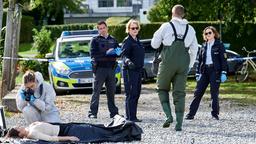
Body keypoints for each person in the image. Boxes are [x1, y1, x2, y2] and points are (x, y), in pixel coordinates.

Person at [151, 4, 198, 131]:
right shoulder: (191, 29)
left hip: (167, 62)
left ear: (172, 13)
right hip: (183, 63)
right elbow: (194, 49)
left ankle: (168, 116)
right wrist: (189, 65)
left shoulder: (166, 26)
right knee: (179, 93)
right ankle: (179, 124)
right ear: (183, 14)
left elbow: (154, 44)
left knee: (162, 89)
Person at [185, 26, 228, 120]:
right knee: (198, 92)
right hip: (204, 71)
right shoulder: (203, 45)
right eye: (206, 33)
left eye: (210, 33)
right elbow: (199, 61)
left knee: (214, 93)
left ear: (214, 33)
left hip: (215, 71)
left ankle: (214, 114)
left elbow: (223, 60)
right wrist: (197, 73)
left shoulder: (219, 44)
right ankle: (190, 114)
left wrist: (224, 72)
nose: (208, 34)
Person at [5, 115, 143, 143]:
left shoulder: (30, 128)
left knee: (95, 127)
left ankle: (123, 127)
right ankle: (128, 131)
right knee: (94, 131)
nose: (20, 125)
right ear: (20, 133)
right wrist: (69, 138)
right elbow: (51, 139)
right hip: (67, 132)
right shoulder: (32, 134)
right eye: (18, 127)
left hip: (66, 126)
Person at [88, 21, 120, 119]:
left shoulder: (113, 40)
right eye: (100, 28)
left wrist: (116, 52)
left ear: (107, 28)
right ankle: (92, 113)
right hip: (100, 69)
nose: (102, 30)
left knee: (111, 91)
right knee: (96, 91)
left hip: (111, 69)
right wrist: (106, 53)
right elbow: (93, 55)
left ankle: (114, 113)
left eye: (103, 28)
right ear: (98, 30)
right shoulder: (95, 40)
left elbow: (118, 52)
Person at [121, 19, 144, 122]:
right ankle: (129, 117)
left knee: (137, 93)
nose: (135, 30)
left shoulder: (138, 41)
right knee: (131, 93)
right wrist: (128, 62)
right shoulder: (127, 41)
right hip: (129, 71)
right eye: (132, 28)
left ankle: (133, 116)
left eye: (136, 28)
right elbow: (124, 55)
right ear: (128, 29)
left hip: (138, 71)